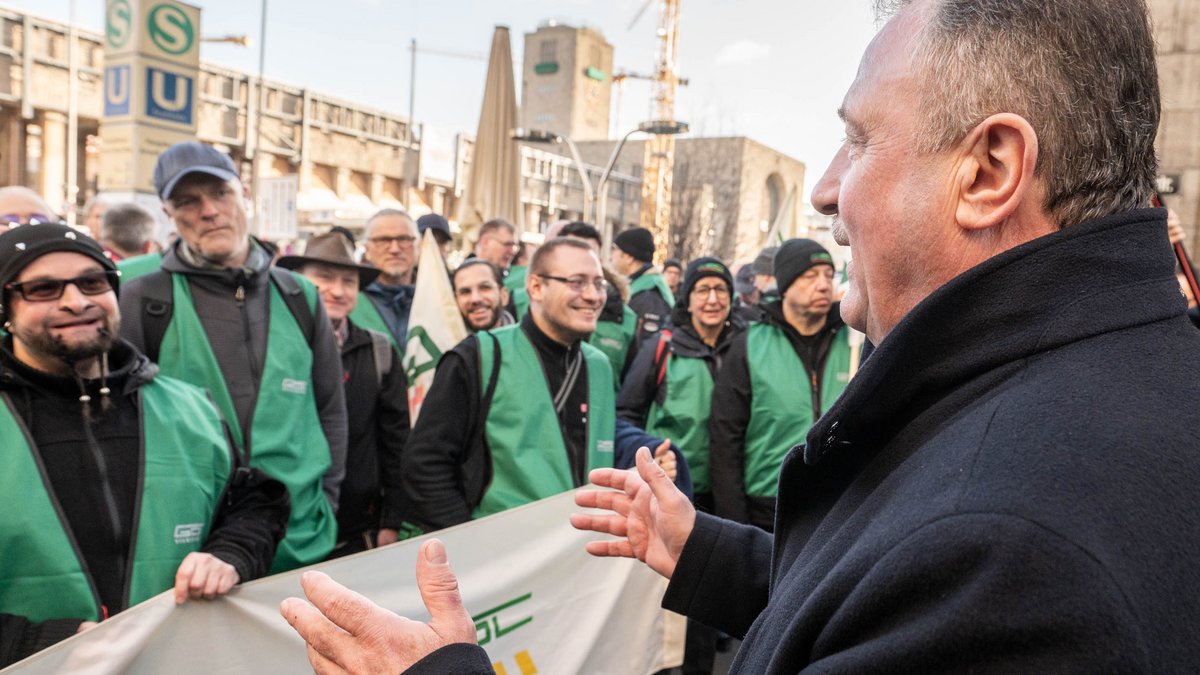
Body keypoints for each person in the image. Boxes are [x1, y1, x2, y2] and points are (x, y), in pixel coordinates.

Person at [281, 0, 1200, 671]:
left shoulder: (1008, 551)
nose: (826, 188)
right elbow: (880, 595)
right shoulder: (1109, 387)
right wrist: (708, 551)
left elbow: (938, 570)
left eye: (859, 138)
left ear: (989, 169)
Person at [0, 223, 288, 666]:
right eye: (43, 289)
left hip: (179, 660)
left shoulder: (188, 408)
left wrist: (230, 555)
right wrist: (39, 642)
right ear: (6, 308)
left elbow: (255, 501)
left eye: (92, 282)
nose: (76, 302)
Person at [119, 141, 347, 573]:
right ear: (170, 215)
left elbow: (329, 407)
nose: (208, 210)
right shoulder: (144, 298)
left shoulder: (299, 295)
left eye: (219, 193)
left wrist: (328, 500)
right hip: (195, 543)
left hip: (301, 536)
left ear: (243, 194)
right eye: (188, 201)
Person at [616, 256, 745, 675]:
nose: (712, 299)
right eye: (702, 291)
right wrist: (652, 452)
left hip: (728, 494)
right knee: (670, 607)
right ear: (687, 299)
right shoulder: (663, 346)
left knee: (711, 609)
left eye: (721, 290)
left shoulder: (744, 345)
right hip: (674, 495)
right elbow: (626, 414)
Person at [277, 232, 412, 557]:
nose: (337, 291)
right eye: (324, 278)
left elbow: (396, 441)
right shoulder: (273, 346)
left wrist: (391, 519)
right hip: (279, 523)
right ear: (299, 281)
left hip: (355, 529)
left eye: (348, 282)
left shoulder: (378, 350)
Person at [709, 238, 851, 531]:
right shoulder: (750, 344)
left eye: (828, 274)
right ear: (785, 284)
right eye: (811, 276)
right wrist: (736, 526)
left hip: (839, 507)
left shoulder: (852, 341)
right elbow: (725, 440)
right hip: (766, 509)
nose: (824, 285)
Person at [560, 221, 638, 386]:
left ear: (600, 261)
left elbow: (631, 387)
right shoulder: (530, 306)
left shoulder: (626, 318)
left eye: (589, 257)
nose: (581, 266)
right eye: (572, 257)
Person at [352, 209, 419, 350]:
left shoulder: (437, 298)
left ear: (418, 247)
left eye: (404, 239)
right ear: (367, 250)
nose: (394, 249)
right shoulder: (350, 300)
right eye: (383, 240)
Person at [611, 227, 674, 344]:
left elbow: (647, 347)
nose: (611, 256)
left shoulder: (649, 298)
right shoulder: (642, 287)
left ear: (628, 257)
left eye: (614, 249)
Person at [452, 259, 513, 332]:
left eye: (484, 288)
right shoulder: (445, 342)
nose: (475, 299)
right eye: (465, 292)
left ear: (504, 296)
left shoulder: (527, 340)